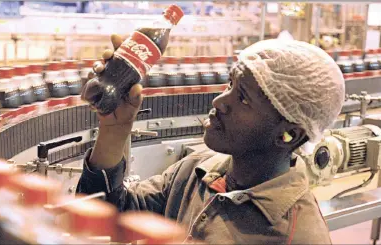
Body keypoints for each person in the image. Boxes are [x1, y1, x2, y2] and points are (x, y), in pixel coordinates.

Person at [77, 35, 345, 244]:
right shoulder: (196, 171)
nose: (219, 101)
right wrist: (114, 130)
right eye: (230, 85)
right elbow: (107, 217)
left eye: (243, 98)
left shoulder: (297, 236)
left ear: (289, 135)